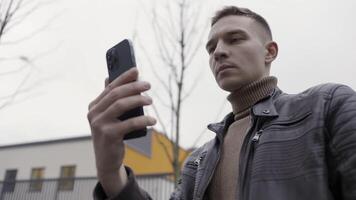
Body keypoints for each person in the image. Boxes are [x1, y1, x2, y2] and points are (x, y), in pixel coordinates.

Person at [87, 5, 356, 200]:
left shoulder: (327, 107)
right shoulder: (199, 161)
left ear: (269, 52)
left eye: (235, 39)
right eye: (211, 48)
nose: (219, 52)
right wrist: (110, 172)